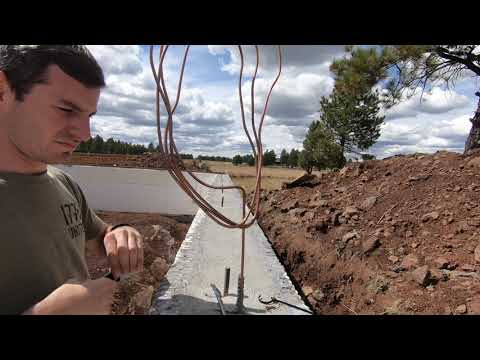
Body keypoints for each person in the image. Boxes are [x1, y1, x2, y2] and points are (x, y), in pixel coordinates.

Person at [0, 45, 144, 315]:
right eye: (66, 109)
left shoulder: (63, 183)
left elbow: (100, 234)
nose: (86, 133)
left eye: (88, 116)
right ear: (2, 89)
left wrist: (119, 234)